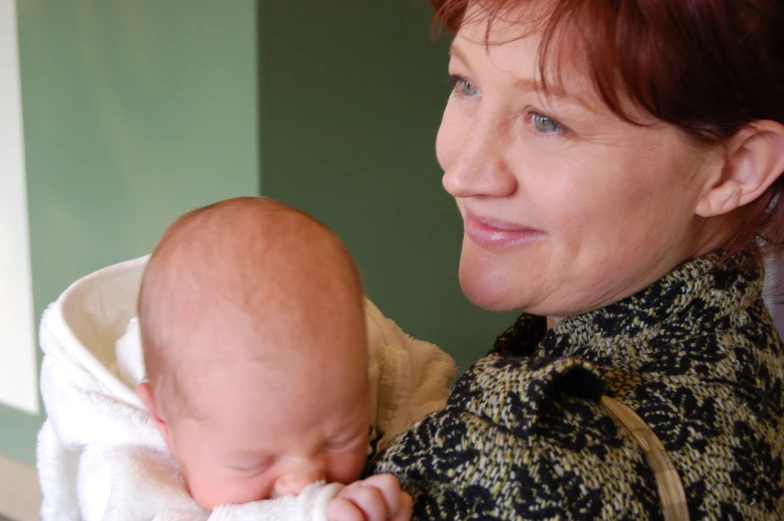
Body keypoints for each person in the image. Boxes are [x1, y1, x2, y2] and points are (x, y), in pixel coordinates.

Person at [365, 1, 784, 519]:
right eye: (466, 84)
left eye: (547, 121)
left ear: (736, 169)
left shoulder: (531, 462)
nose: (463, 174)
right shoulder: (746, 366)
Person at [36, 197, 455, 521]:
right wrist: (308, 513)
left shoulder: (360, 363)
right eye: (255, 461)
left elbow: (422, 396)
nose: (305, 480)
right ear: (164, 421)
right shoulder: (124, 469)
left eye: (340, 438)